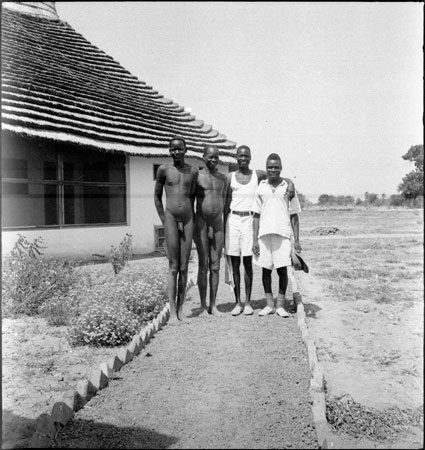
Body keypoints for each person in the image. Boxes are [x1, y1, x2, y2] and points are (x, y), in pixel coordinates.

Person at [223, 145, 295, 316]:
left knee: (248, 262)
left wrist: (291, 182)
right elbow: (225, 203)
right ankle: (237, 302)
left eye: (246, 156)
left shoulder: (257, 175)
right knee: (234, 263)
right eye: (240, 156)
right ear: (236, 157)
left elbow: (276, 176)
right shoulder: (230, 177)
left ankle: (248, 303)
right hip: (233, 220)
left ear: (250, 157)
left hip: (250, 220)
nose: (243, 159)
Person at [251, 153, 302, 317]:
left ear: (281, 168)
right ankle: (269, 304)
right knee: (266, 270)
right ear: (266, 168)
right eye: (270, 167)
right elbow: (256, 215)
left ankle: (280, 305)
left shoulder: (288, 187)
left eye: (276, 167)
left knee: (282, 271)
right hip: (264, 235)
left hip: (283, 234)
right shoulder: (261, 187)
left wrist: (297, 240)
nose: (273, 170)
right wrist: (254, 240)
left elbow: (294, 214)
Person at [154, 137, 198, 323]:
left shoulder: (193, 171)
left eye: (180, 149)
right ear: (169, 151)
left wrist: (189, 218)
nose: (177, 152)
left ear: (186, 149)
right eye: (173, 149)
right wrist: (165, 221)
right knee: (173, 267)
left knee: (184, 266)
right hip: (171, 218)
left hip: (188, 219)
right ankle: (172, 312)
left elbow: (193, 198)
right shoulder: (164, 170)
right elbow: (157, 197)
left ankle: (181, 309)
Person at [193, 145, 228, 316]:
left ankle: (214, 305)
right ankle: (202, 305)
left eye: (216, 157)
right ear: (204, 157)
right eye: (210, 157)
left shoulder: (223, 178)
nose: (214, 160)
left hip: (218, 225)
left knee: (216, 266)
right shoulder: (197, 176)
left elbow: (226, 204)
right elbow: (189, 201)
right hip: (201, 223)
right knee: (203, 265)